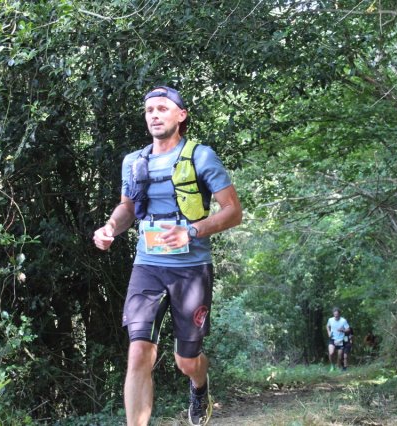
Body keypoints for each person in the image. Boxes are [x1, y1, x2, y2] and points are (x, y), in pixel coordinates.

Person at [93, 86, 242, 426]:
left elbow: (233, 212)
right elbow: (127, 207)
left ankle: (199, 385)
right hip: (147, 266)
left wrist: (191, 231)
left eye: (162, 108)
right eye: (149, 110)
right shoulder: (133, 161)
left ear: (181, 115)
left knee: (186, 361)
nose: (155, 115)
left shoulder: (201, 156)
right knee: (138, 353)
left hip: (191, 270)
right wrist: (110, 228)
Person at [326, 308, 349, 372]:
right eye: (335, 314)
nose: (336, 316)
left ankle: (338, 366)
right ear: (333, 314)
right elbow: (327, 326)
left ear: (339, 314)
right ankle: (332, 366)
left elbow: (348, 329)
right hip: (332, 339)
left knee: (340, 356)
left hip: (340, 340)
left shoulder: (343, 320)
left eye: (337, 314)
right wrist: (329, 332)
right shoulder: (330, 319)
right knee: (331, 353)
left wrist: (342, 330)